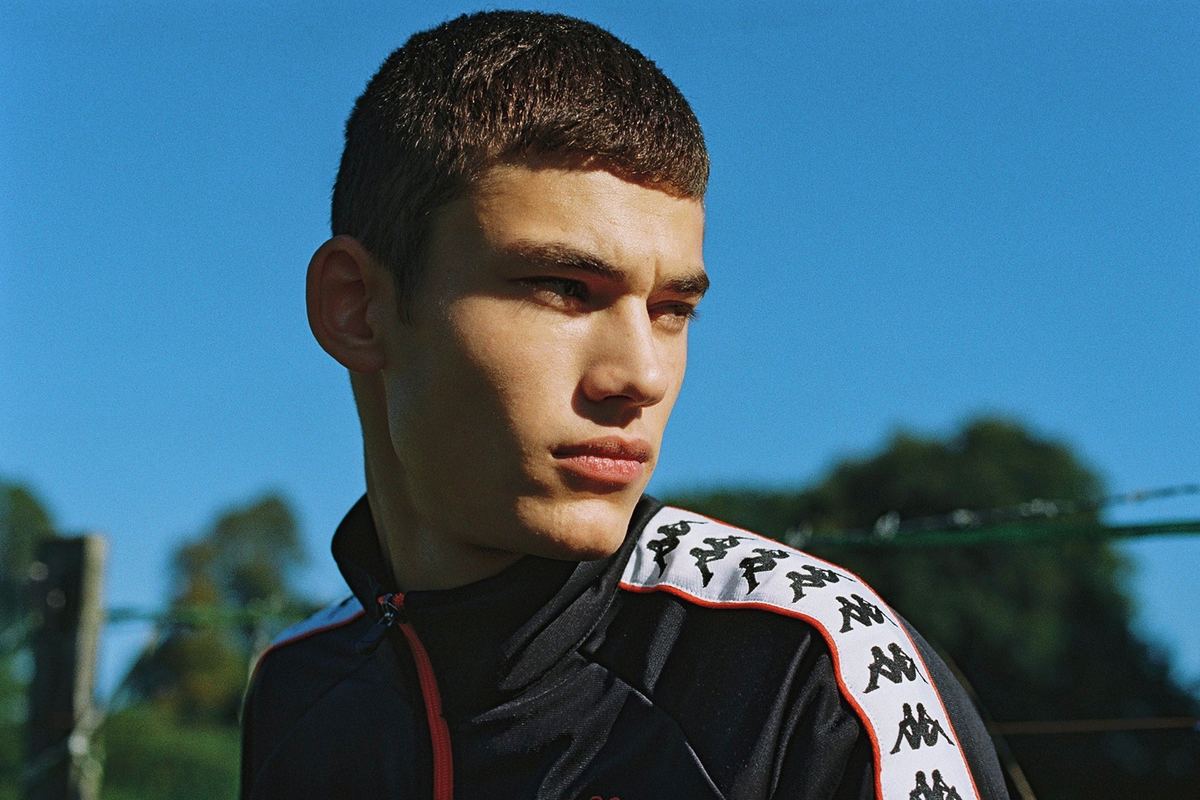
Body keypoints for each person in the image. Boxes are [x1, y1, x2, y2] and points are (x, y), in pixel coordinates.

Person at [240, 10, 1009, 800]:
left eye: (673, 310)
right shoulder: (295, 687)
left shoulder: (812, 675)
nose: (641, 375)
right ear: (356, 307)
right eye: (565, 289)